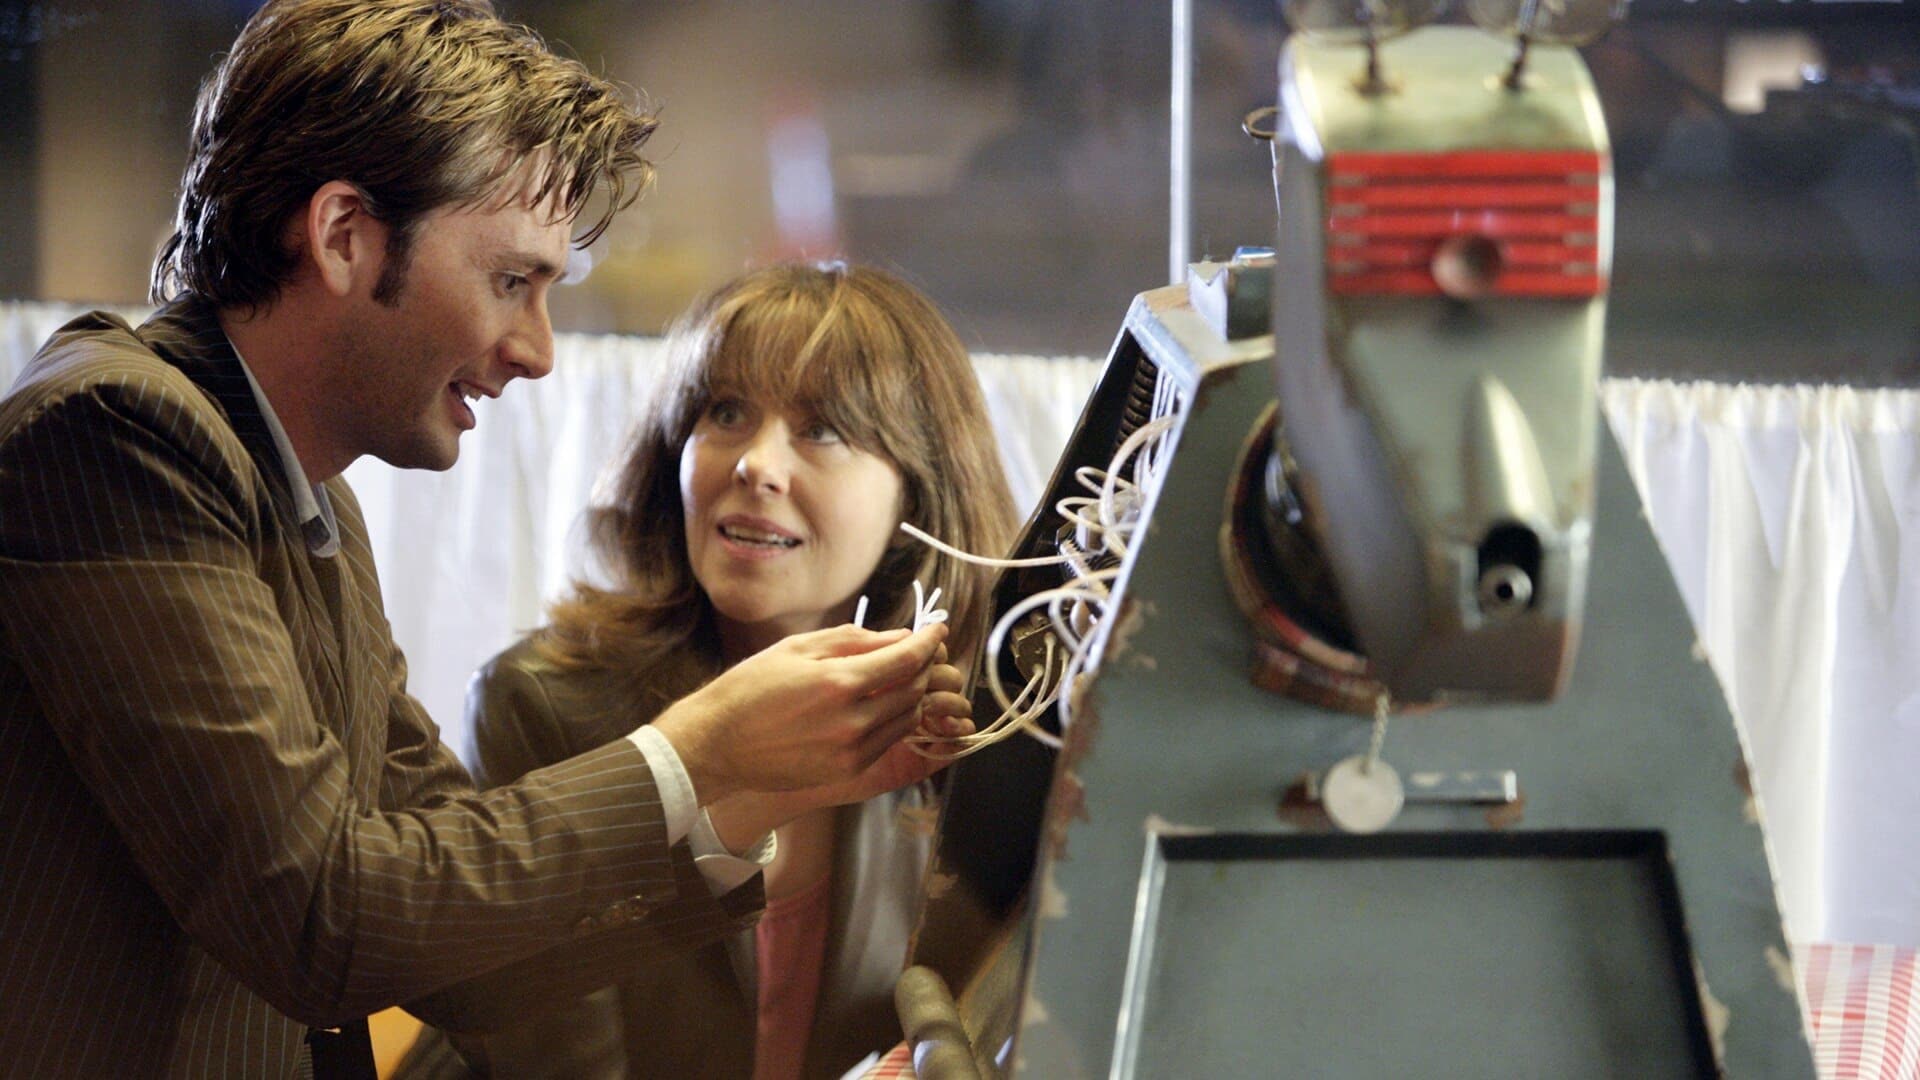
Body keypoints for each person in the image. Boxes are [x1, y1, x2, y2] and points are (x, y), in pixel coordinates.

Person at [0, 4, 963, 1076]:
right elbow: (321, 921)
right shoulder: (120, 431)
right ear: (344, 236)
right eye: (512, 282)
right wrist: (697, 748)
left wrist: (758, 788)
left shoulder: (307, 496)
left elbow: (463, 953)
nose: (537, 351)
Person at [400, 261, 1018, 1079]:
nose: (756, 464)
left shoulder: (970, 732)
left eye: (822, 430)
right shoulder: (540, 702)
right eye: (725, 412)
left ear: (918, 498)